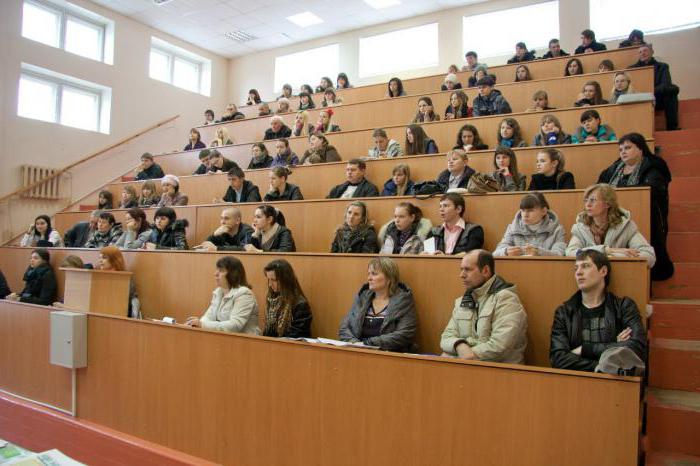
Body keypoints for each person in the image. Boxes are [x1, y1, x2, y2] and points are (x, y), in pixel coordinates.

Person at [550, 250, 646, 371]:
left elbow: (637, 348)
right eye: (576, 268)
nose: (578, 272)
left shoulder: (624, 307)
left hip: (615, 385)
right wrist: (610, 355)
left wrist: (584, 350)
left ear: (603, 271)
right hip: (575, 384)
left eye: (585, 266)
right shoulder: (564, 312)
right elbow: (558, 359)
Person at [598, 133, 674, 280]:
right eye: (620, 149)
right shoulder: (615, 168)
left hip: (647, 214)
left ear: (641, 149)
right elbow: (599, 186)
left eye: (628, 148)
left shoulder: (653, 166)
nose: (623, 152)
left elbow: (654, 189)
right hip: (614, 215)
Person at [440, 250, 527, 363]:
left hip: (502, 372)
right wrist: (459, 345)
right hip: (468, 366)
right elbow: (446, 336)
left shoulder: (507, 300)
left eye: (468, 269)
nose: (461, 275)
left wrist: (464, 355)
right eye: (461, 269)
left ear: (485, 271)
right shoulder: (463, 301)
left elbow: (500, 347)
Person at [565, 183, 656, 267]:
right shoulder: (581, 227)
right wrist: (607, 250)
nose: (588, 205)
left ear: (607, 204)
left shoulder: (625, 226)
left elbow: (649, 256)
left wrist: (611, 256)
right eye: (586, 200)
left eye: (593, 200)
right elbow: (570, 252)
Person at [338, 257, 417, 352]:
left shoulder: (403, 300)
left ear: (389, 278)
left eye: (374, 274)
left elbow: (405, 334)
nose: (369, 278)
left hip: (389, 356)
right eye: (368, 274)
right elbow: (344, 327)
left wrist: (367, 344)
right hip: (358, 352)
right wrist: (355, 344)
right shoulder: (363, 297)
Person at [185, 256, 260, 334]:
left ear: (233, 274)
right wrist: (195, 324)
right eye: (217, 270)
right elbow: (208, 317)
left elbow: (235, 326)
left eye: (221, 270)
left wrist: (202, 324)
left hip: (246, 342)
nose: (215, 274)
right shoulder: (218, 292)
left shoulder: (244, 294)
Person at [494, 192, 566, 256]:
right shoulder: (512, 228)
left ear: (544, 211)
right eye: (522, 210)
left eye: (530, 210)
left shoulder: (557, 229)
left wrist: (539, 252)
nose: (525, 215)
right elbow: (495, 253)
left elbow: (560, 254)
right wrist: (505, 252)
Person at [629, 43, 680, 130]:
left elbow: (665, 84)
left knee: (671, 93)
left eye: (645, 51)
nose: (643, 53)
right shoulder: (632, 69)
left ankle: (672, 127)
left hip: (657, 98)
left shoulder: (662, 66)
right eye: (640, 52)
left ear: (652, 52)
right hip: (638, 99)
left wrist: (650, 92)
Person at [262, 259, 313, 338]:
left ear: (285, 280)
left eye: (273, 280)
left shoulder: (300, 305)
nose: (270, 284)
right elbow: (268, 332)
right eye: (268, 279)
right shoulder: (272, 300)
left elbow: (296, 336)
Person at [98, 246, 140, 318]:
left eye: (104, 258)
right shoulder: (97, 276)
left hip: (119, 315)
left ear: (114, 260)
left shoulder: (125, 278)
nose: (100, 261)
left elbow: (127, 301)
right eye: (100, 258)